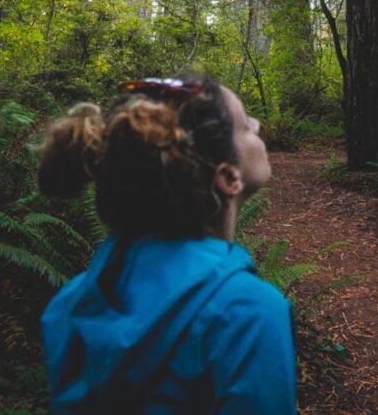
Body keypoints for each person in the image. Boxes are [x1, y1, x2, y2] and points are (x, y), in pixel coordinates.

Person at [37, 77, 295, 414]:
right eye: (246, 124)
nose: (258, 125)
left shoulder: (69, 303)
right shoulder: (247, 315)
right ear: (229, 178)